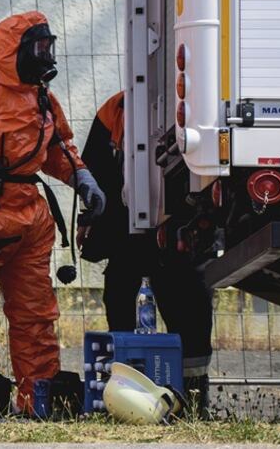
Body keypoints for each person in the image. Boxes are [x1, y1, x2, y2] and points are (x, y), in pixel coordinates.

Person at [0, 11, 105, 416]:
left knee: (36, 316)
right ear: (15, 50)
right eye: (39, 48)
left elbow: (58, 147)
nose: (46, 56)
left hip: (28, 221)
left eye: (49, 47)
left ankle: (39, 400)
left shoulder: (39, 96)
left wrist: (82, 179)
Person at [79, 91, 213, 413]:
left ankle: (191, 398)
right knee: (128, 294)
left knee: (184, 300)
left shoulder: (120, 108)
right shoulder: (116, 109)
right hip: (136, 227)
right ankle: (131, 392)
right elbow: (94, 172)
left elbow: (94, 171)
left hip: (168, 226)